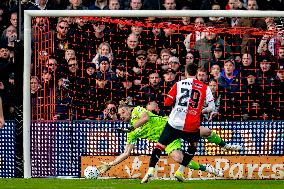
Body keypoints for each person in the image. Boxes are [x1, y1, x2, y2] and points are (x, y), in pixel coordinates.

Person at [141, 64, 221, 183]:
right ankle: (180, 170)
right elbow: (212, 107)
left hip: (174, 123)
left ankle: (150, 171)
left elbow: (167, 102)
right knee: (192, 146)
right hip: (190, 125)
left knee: (159, 146)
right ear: (197, 73)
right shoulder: (204, 87)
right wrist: (199, 110)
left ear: (185, 72)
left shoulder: (178, 84)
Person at [97, 103, 223, 179]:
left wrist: (131, 127)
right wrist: (110, 164)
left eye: (120, 115)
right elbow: (126, 153)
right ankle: (209, 169)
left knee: (205, 132)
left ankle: (225, 145)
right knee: (179, 159)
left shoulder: (137, 110)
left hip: (173, 126)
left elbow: (145, 118)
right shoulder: (131, 134)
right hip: (166, 141)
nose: (121, 118)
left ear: (124, 110)